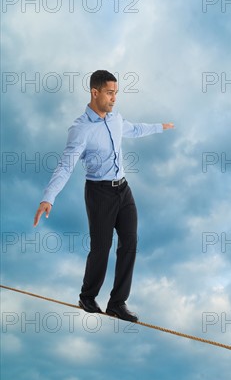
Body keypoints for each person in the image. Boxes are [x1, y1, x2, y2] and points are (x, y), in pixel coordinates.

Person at [34, 70, 174, 322]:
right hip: (99, 193)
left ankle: (117, 303)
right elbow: (66, 165)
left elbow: (133, 129)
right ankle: (87, 296)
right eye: (110, 93)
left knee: (129, 243)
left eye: (116, 93)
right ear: (95, 92)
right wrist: (49, 197)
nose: (114, 99)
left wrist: (160, 127)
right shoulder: (80, 129)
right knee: (102, 247)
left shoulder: (115, 118)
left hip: (123, 189)